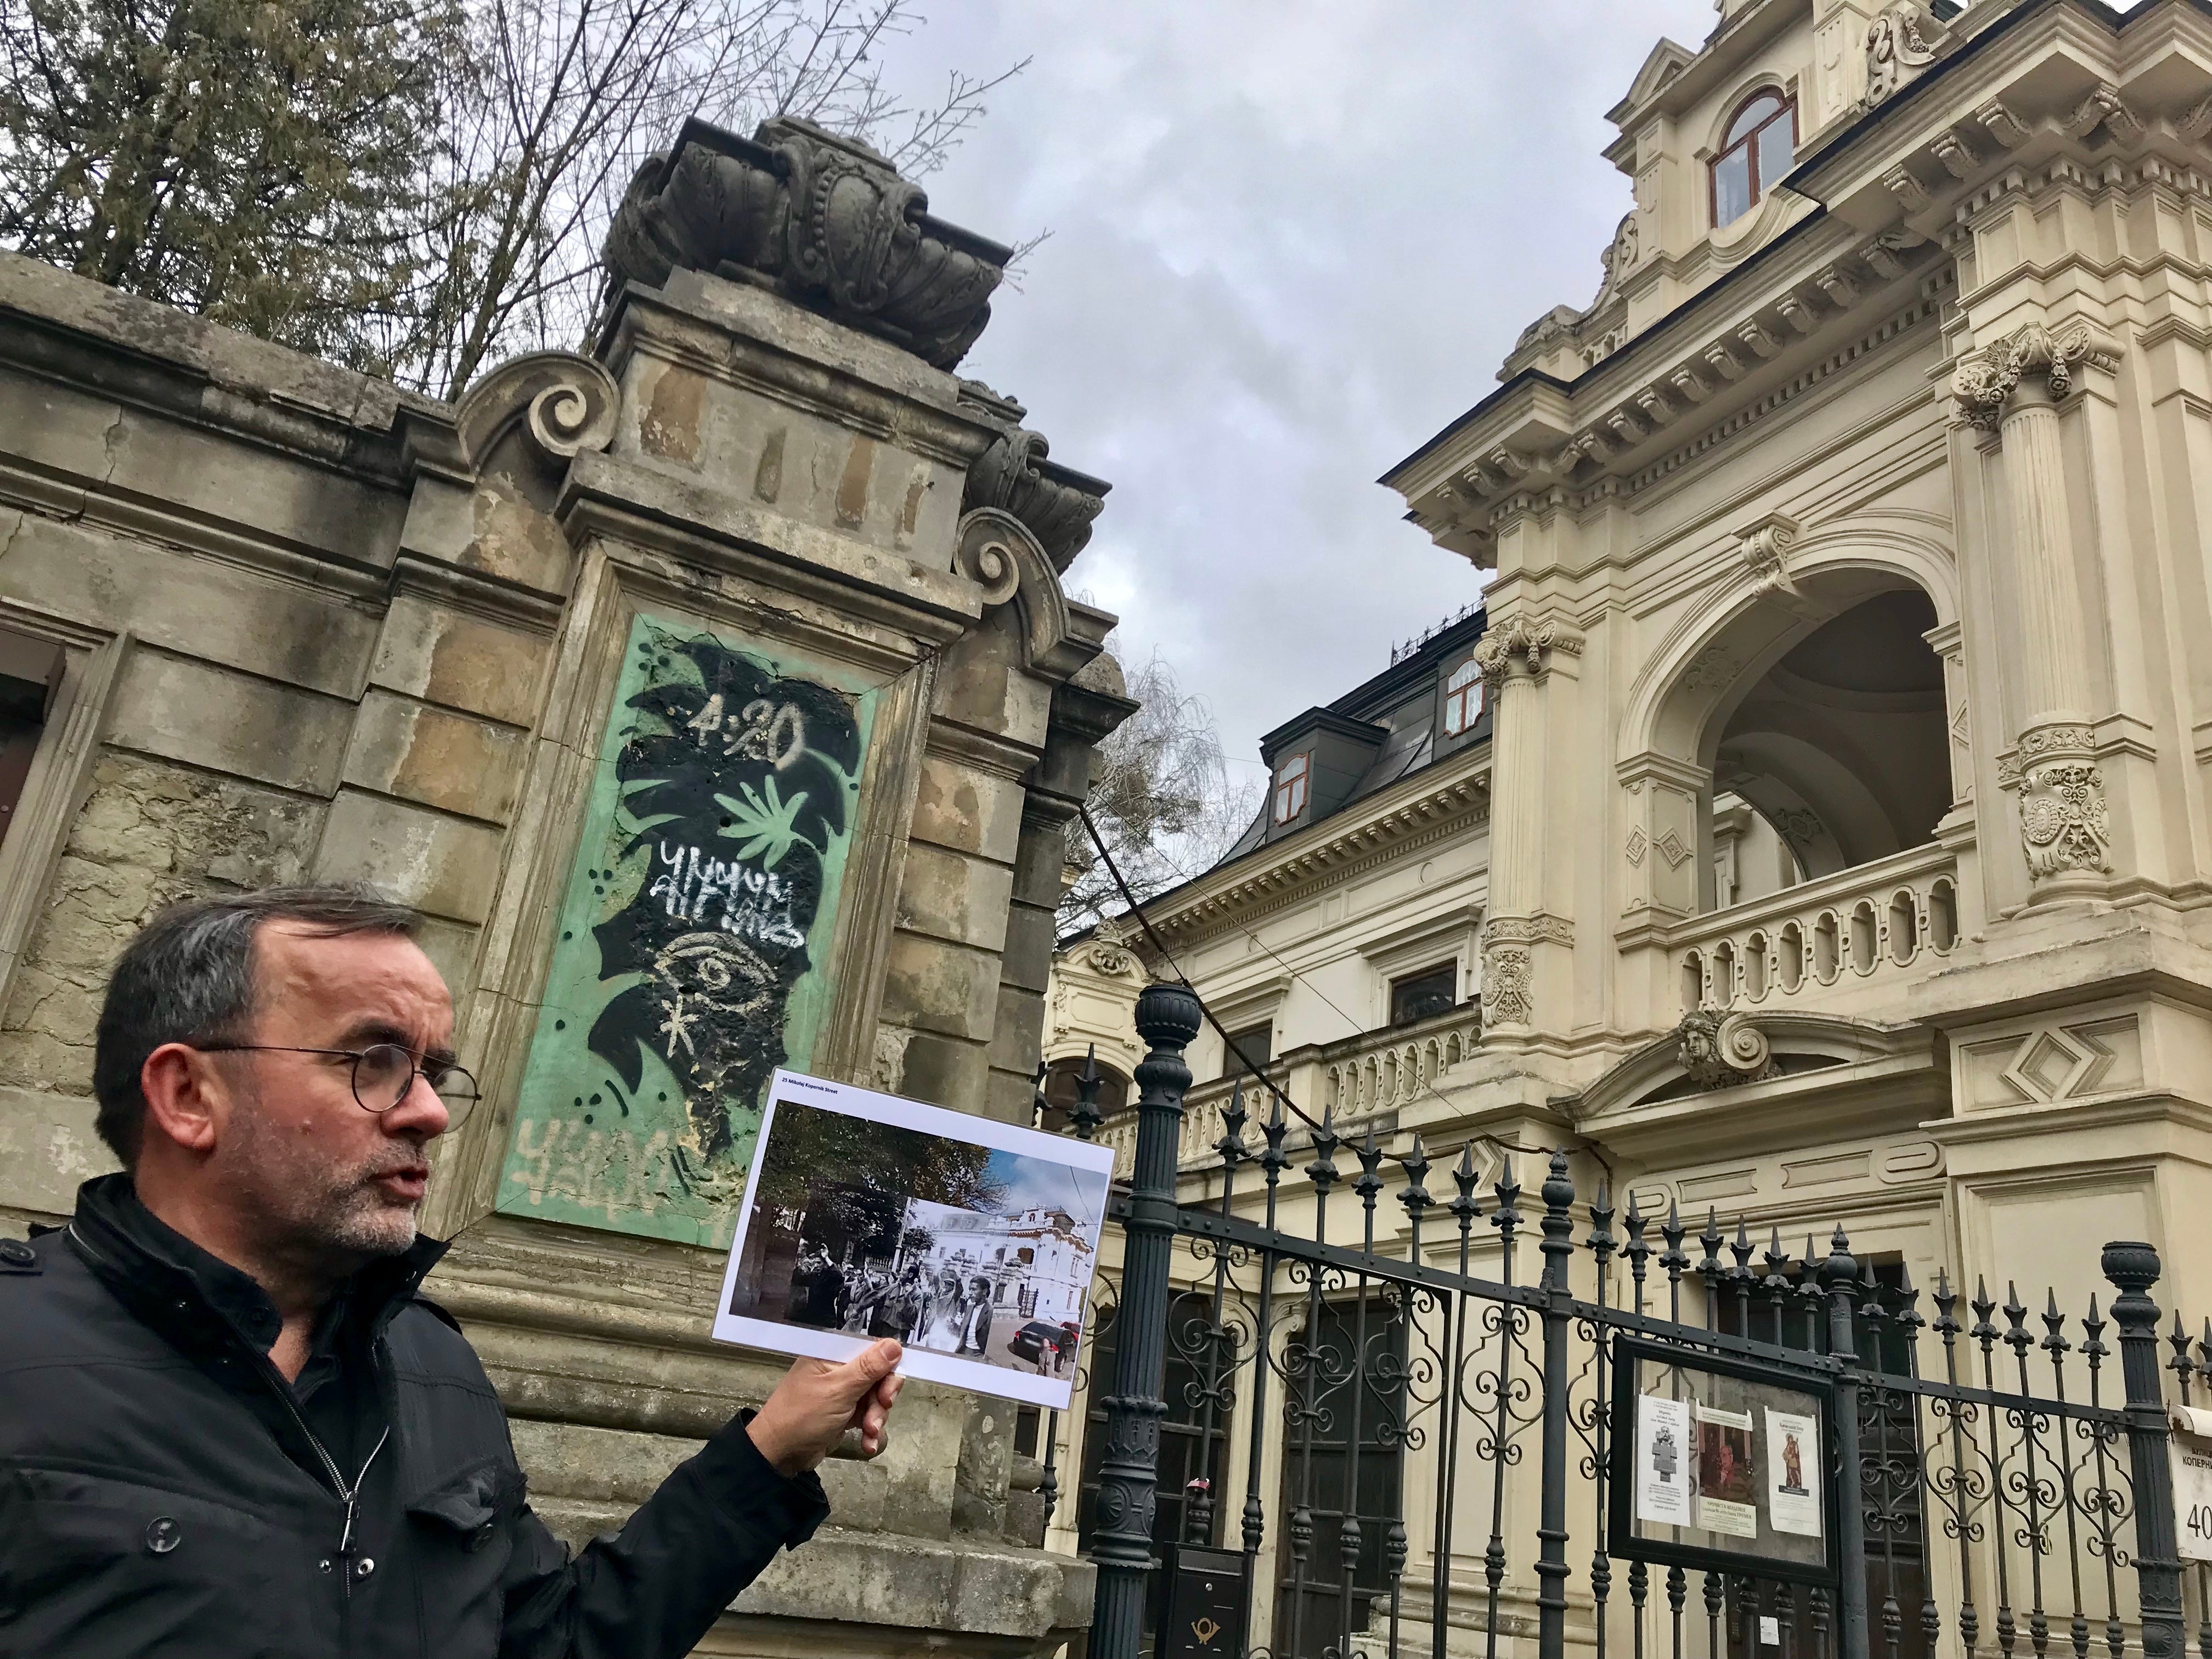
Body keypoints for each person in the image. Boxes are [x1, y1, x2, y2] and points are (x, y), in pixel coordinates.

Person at [0, 887, 905, 1659]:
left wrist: (774, 1448)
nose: (431, 1111)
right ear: (191, 1095)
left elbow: (553, 1639)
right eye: (376, 1060)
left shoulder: (433, 1365)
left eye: (434, 1069)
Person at [957, 1275, 994, 1358]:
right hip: (964, 1349)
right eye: (970, 1289)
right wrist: (954, 1325)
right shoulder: (970, 1307)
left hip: (978, 1354)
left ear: (984, 1291)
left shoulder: (990, 1311)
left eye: (974, 1290)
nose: (970, 1293)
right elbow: (965, 1330)